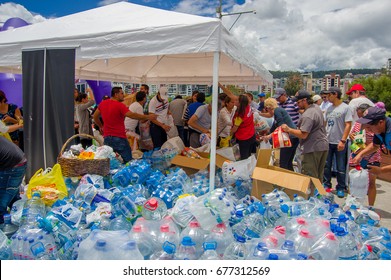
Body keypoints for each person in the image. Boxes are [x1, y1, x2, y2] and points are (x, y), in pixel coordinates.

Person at [93, 86, 156, 163]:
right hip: (119, 137)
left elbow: (95, 116)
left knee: (109, 161)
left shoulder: (103, 104)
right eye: (121, 93)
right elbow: (131, 115)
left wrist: (100, 126)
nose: (123, 95)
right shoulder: (120, 105)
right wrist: (148, 116)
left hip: (107, 137)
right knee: (128, 160)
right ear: (116, 94)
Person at [281, 90, 328, 183]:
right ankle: (318, 195)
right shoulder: (316, 108)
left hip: (312, 148)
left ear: (305, 100)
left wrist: (289, 130)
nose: (297, 104)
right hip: (322, 146)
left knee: (310, 177)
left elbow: (303, 134)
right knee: (318, 177)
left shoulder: (308, 115)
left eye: (298, 102)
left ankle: (311, 196)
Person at [349, 104, 381, 208]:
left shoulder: (375, 126)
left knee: (371, 183)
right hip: (356, 154)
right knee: (353, 180)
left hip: (372, 156)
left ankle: (370, 206)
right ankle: (352, 204)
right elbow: (353, 140)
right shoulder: (358, 124)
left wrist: (365, 149)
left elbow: (378, 145)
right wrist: (352, 137)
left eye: (362, 116)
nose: (360, 119)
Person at [323, 86, 353, 198]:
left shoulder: (345, 108)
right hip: (328, 141)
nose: (327, 97)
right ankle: (326, 184)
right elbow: (325, 123)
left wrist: (343, 140)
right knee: (327, 165)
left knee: (340, 166)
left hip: (340, 142)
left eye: (329, 95)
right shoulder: (329, 108)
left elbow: (348, 124)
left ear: (335, 94)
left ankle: (341, 187)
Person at [262, 97, 299, 171]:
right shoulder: (279, 111)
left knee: (283, 163)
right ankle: (292, 180)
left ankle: (284, 181)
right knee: (288, 163)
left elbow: (281, 125)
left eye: (267, 109)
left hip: (289, 138)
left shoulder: (277, 111)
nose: (267, 111)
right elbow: (274, 127)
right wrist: (267, 135)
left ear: (269, 107)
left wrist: (269, 136)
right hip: (294, 137)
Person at [352, 107, 391, 176]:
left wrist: (381, 170)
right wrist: (360, 155)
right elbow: (375, 145)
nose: (367, 129)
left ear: (380, 122)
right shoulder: (380, 130)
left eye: (369, 127)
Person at [0, 121, 26, 224]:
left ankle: (4, 232)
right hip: (16, 162)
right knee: (13, 199)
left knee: (1, 202)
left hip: (13, 166)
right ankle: (20, 221)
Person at [231, 94, 256, 160]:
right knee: (248, 157)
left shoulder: (240, 116)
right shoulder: (248, 108)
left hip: (244, 138)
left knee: (244, 158)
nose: (234, 101)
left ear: (240, 103)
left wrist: (230, 133)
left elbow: (234, 129)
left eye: (236, 100)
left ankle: (245, 169)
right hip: (251, 135)